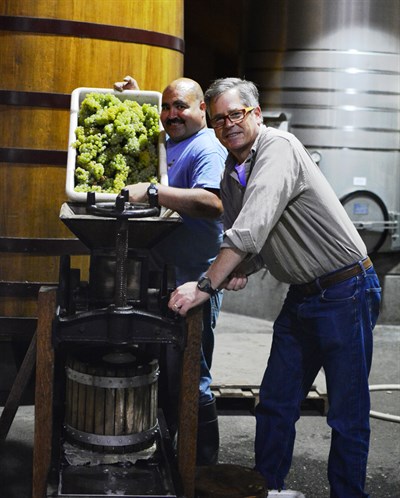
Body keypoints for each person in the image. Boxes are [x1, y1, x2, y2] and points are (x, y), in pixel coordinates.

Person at [168, 77, 381, 497]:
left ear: (257, 114)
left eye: (236, 113)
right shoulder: (232, 171)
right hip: (303, 296)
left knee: (346, 413)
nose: (228, 124)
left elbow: (248, 231)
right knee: (275, 405)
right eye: (218, 119)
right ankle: (267, 490)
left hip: (346, 290)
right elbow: (256, 243)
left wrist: (205, 286)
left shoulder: (277, 149)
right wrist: (241, 267)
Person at [114, 75, 227, 465]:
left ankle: (201, 466)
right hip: (166, 272)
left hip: (196, 277)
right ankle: (170, 454)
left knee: (193, 372)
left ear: (202, 110)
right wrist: (137, 101)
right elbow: (160, 141)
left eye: (181, 106)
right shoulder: (176, 142)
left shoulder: (207, 147)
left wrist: (153, 192)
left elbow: (212, 203)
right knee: (168, 366)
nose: (171, 114)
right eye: (166, 107)